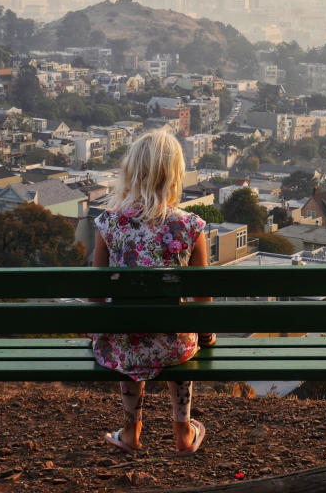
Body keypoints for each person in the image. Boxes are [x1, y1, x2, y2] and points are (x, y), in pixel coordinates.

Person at [91, 128, 214, 457]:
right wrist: (207, 335)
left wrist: (99, 329)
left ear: (133, 171)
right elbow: (203, 297)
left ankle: (131, 432)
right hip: (176, 346)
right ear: (174, 175)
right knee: (181, 332)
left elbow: (95, 292)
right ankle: (184, 432)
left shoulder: (108, 224)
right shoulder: (191, 226)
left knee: (130, 333)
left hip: (125, 345)